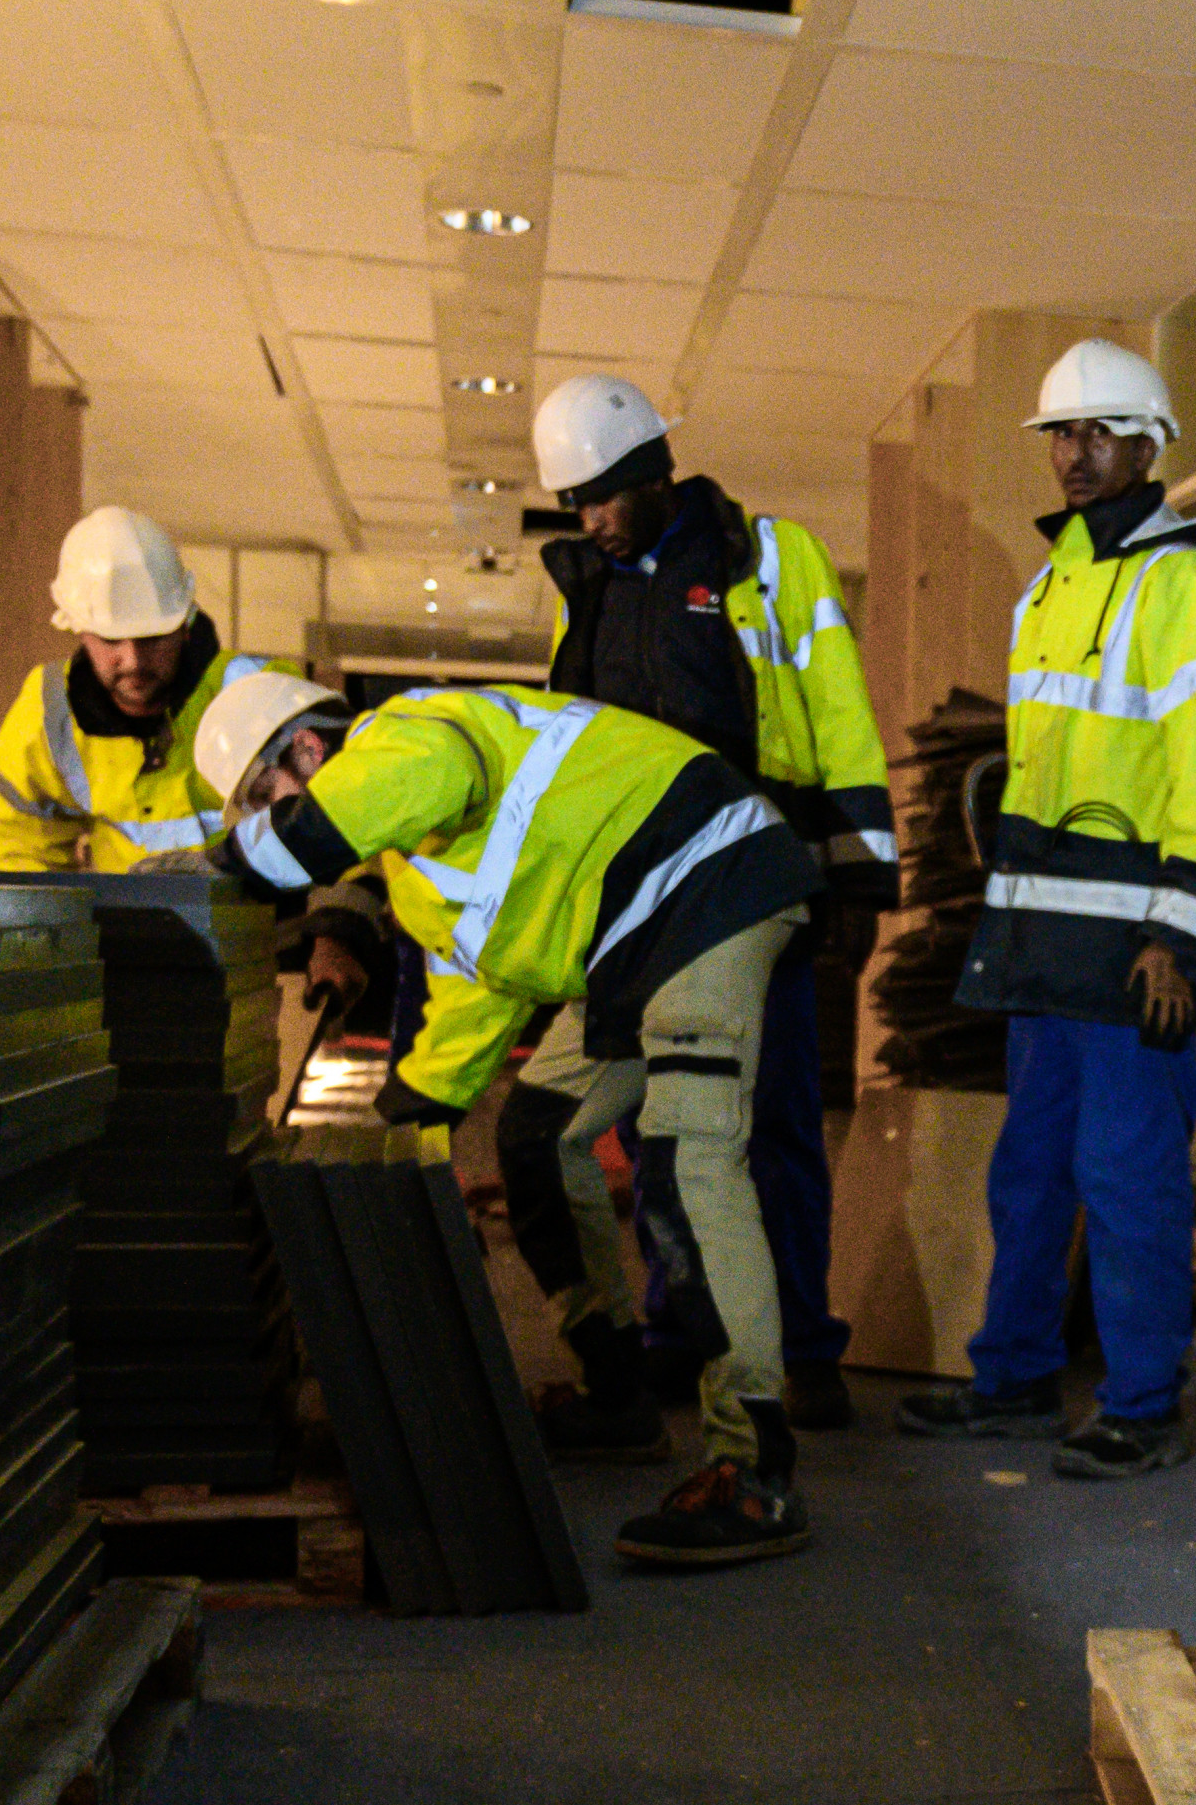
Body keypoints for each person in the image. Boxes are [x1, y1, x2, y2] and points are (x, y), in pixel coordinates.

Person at [193, 667, 825, 1569]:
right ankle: (616, 1394)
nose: (276, 816)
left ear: (305, 749)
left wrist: (223, 863)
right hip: (633, 934)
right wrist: (408, 1115)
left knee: (689, 1162)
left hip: (706, 883)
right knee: (536, 1137)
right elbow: (482, 982)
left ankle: (755, 1469)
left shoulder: (403, 738)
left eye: (269, 798)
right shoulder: (412, 866)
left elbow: (350, 817)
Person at [499, 373, 892, 1449]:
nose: (589, 518)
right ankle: (690, 1330)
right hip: (641, 906)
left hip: (765, 892)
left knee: (770, 1130)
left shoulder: (766, 560)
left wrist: (855, 884)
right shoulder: (585, 590)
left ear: (651, 473)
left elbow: (841, 717)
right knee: (662, 1134)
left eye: (602, 496)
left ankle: (800, 1349)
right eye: (572, 502)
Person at [895, 339, 1196, 1480]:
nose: (1074, 454)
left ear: (1153, 445)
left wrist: (1183, 937)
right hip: (1043, 938)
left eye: (1098, 432)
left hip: (1133, 947)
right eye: (1060, 433)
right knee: (1030, 1170)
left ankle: (1141, 1405)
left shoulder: (1187, 586)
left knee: (1129, 1174)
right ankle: (1010, 1380)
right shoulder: (1049, 586)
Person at [0, 505, 269, 871]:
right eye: (112, 640)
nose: (133, 660)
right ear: (77, 628)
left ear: (185, 624)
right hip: (120, 927)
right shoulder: (51, 712)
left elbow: (338, 812)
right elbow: (18, 847)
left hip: (255, 926)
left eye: (152, 637)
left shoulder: (254, 692)